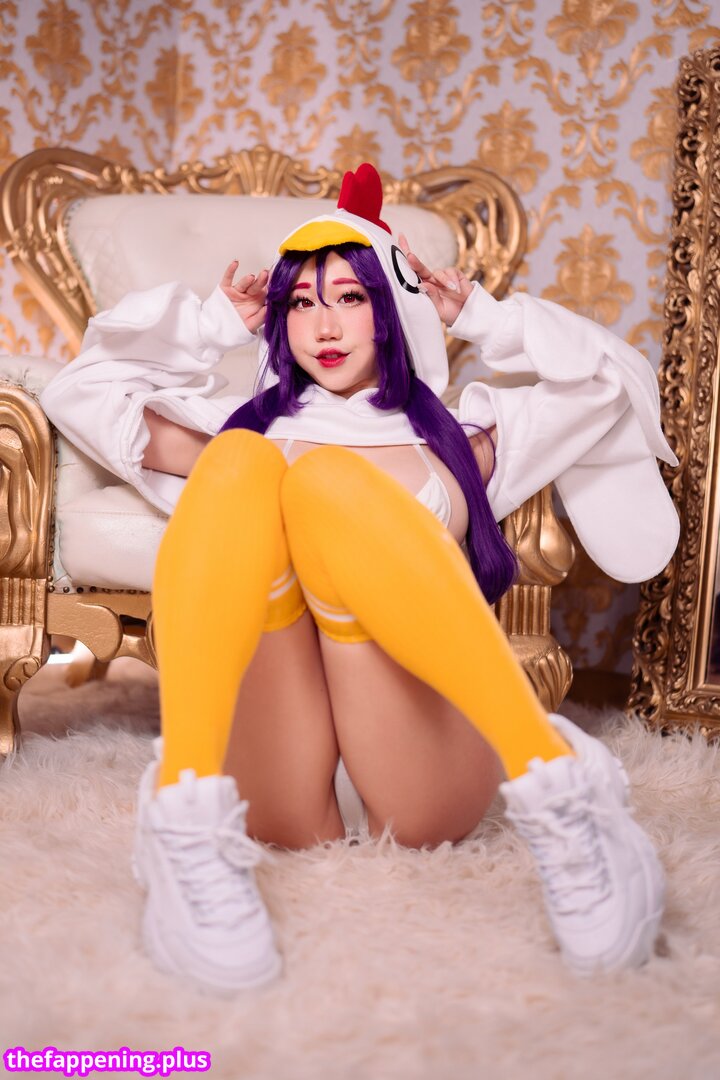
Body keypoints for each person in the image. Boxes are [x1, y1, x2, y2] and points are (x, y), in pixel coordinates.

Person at [40, 164, 679, 994]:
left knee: (324, 482)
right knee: (242, 464)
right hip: (274, 771)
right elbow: (78, 391)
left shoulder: (464, 438)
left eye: (350, 296)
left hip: (420, 764)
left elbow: (610, 381)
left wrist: (482, 318)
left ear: (390, 308)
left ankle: (561, 786)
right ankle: (185, 815)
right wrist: (209, 324)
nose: (324, 324)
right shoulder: (233, 431)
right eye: (301, 302)